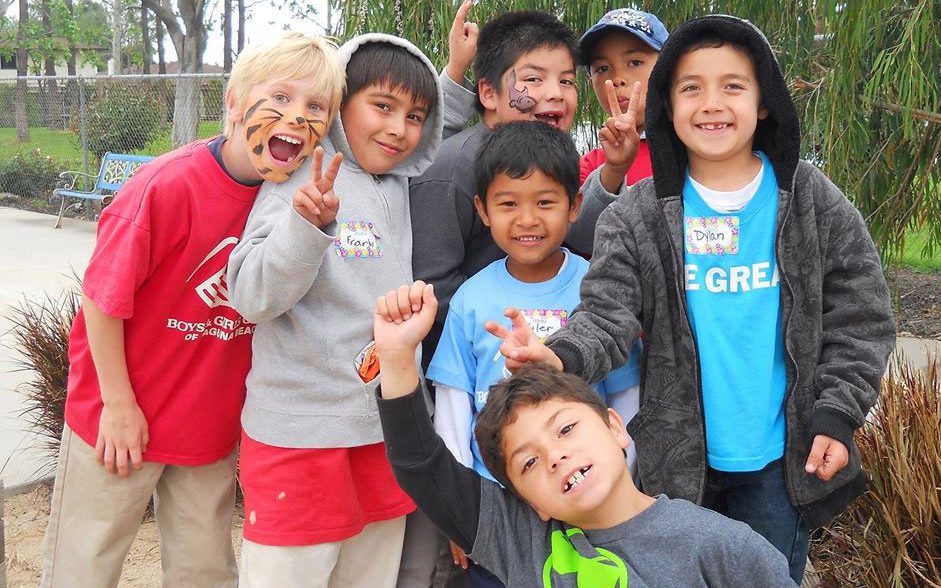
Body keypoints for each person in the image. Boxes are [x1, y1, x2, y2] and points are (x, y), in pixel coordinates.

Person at [487, 15, 896, 584]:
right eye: (690, 88)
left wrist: (838, 413)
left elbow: (861, 317)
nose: (712, 103)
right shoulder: (637, 214)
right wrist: (560, 355)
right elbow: (607, 314)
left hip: (782, 461)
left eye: (733, 86)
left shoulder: (810, 201)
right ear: (666, 107)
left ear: (764, 103)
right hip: (677, 463)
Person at [40, 32, 344, 588]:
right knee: (84, 563)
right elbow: (103, 301)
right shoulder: (166, 186)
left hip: (207, 428)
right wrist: (118, 404)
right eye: (279, 97)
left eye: (315, 107)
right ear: (233, 103)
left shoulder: (294, 202)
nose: (296, 117)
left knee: (205, 571)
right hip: (118, 415)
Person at [371, 282, 796, 587]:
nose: (555, 455)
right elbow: (422, 467)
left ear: (615, 428)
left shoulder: (724, 547)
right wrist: (394, 358)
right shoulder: (522, 542)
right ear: (528, 502)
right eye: (529, 463)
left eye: (567, 428)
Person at [225, 34, 444, 587]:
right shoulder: (303, 175)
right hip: (302, 436)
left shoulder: (397, 179)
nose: (399, 128)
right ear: (340, 105)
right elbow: (251, 296)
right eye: (382, 107)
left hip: (383, 427)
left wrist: (457, 74)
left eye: (415, 116)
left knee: (368, 577)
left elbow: (446, 114)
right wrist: (307, 226)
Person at [427, 121, 642, 587]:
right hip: (496, 506)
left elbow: (625, 394)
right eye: (508, 204)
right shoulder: (471, 296)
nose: (527, 220)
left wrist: (622, 472)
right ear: (483, 210)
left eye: (545, 202)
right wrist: (460, 509)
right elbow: (452, 405)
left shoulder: (597, 285)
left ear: (575, 206)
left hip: (585, 493)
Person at [409, 10, 582, 377]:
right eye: (533, 79)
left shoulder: (556, 159)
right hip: (472, 365)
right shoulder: (452, 169)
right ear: (488, 93)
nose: (555, 93)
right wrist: (509, 327)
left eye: (567, 81)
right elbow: (432, 284)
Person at [577, 8, 669, 191]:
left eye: (635, 62)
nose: (617, 78)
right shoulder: (591, 166)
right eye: (602, 68)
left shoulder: (696, 146)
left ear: (669, 67)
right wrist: (613, 173)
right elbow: (580, 219)